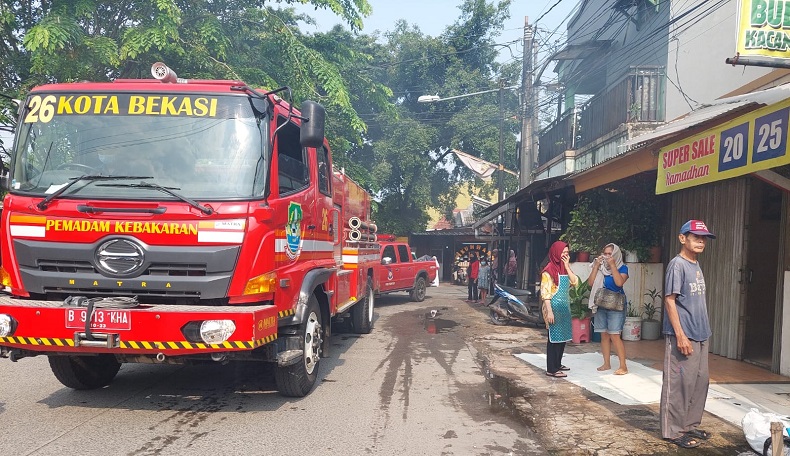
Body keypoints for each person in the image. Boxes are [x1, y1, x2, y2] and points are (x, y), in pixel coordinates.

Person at [660, 220, 716, 450]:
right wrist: (680, 335)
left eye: (703, 238)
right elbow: (669, 300)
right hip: (684, 335)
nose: (700, 241)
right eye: (695, 237)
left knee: (699, 382)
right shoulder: (678, 265)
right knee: (679, 384)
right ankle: (673, 431)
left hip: (701, 334)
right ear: (683, 238)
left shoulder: (696, 264)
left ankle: (690, 424)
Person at [587, 243, 629, 375]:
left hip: (616, 305)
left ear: (616, 254)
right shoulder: (601, 268)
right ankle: (606, 363)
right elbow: (591, 283)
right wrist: (596, 267)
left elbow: (619, 283)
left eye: (609, 254)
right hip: (601, 303)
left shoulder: (623, 268)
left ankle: (623, 366)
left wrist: (612, 265)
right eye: (605, 253)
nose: (606, 256)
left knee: (615, 335)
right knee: (603, 335)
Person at [541, 241, 579, 378]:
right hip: (553, 307)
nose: (565, 255)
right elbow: (545, 294)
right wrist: (549, 311)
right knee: (553, 339)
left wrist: (567, 266)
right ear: (556, 252)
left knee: (562, 338)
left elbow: (575, 282)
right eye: (563, 252)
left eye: (567, 253)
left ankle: (558, 363)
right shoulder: (548, 270)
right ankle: (551, 369)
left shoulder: (564, 268)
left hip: (564, 307)